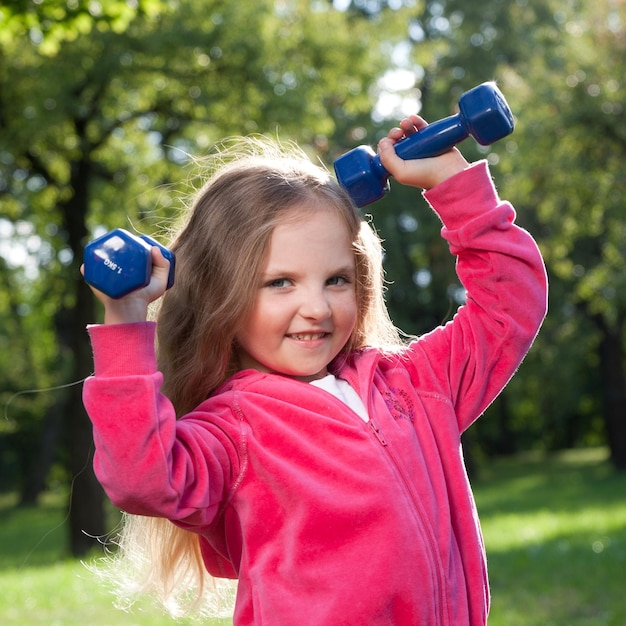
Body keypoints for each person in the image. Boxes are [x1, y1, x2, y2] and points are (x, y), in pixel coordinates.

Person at [82, 116, 548, 625]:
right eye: (281, 283)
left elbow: (510, 307)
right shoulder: (234, 430)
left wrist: (452, 183)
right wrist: (125, 323)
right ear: (222, 297)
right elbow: (141, 479)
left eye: (336, 280)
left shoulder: (414, 387)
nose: (317, 307)